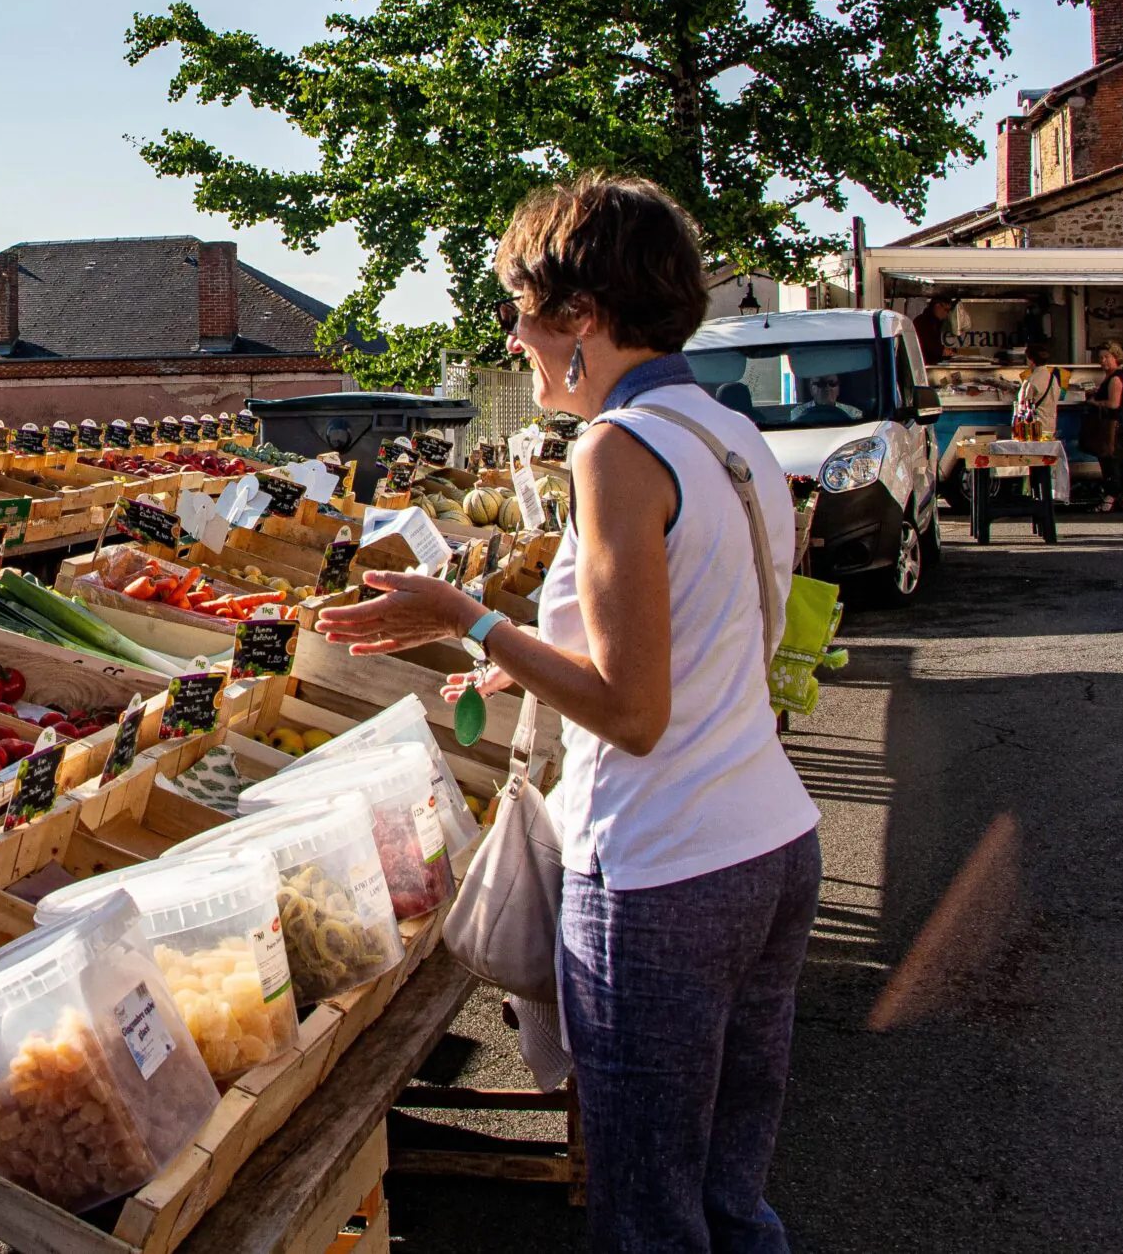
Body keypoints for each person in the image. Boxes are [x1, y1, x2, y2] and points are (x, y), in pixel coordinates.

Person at [317, 175, 819, 1253]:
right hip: (770, 842)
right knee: (731, 1202)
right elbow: (719, 634)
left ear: (581, 317)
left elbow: (634, 716)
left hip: (663, 869)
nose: (512, 341)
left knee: (649, 1218)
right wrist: (524, 666)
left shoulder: (613, 450)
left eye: (519, 309)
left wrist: (468, 621)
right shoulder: (730, 437)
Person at [1080, 343, 1123, 513]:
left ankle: (1111, 496)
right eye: (1101, 358)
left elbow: (1113, 403)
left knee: (1110, 460)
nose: (1103, 361)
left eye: (1106, 357)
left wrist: (1094, 402)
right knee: (1120, 458)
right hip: (1120, 423)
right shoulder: (1115, 376)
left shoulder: (1115, 378)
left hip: (1113, 424)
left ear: (1116, 357)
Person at [1010, 343, 1064, 443]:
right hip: (1050, 428)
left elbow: (1022, 407)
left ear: (1031, 361)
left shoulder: (1031, 381)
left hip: (1033, 429)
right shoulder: (1053, 379)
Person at [790, 372, 859, 425]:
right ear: (811, 389)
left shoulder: (853, 413)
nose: (827, 388)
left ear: (838, 389)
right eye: (820, 384)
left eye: (832, 383)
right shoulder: (798, 413)